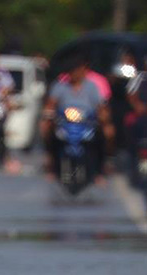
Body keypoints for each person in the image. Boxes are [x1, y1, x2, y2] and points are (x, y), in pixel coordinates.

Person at [40, 52, 115, 184]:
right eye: (72, 70)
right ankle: (52, 163)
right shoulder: (60, 86)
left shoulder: (92, 87)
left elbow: (101, 106)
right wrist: (48, 114)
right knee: (46, 129)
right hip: (65, 122)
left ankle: (100, 169)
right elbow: (50, 104)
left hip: (87, 122)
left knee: (107, 133)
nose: (75, 73)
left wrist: (103, 116)